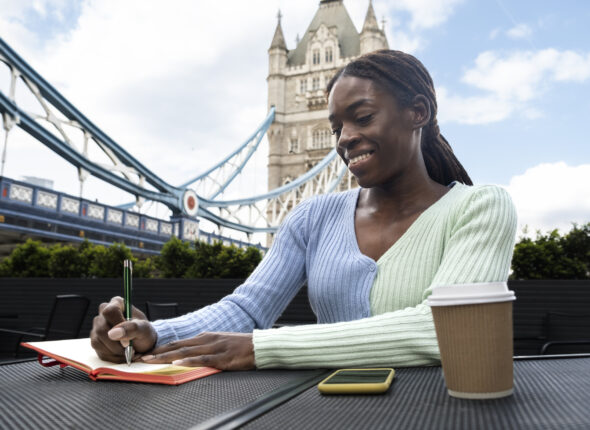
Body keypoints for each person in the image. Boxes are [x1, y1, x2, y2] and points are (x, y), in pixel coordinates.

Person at [91, 50, 517, 370]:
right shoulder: (313, 217)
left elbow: (447, 330)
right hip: (327, 409)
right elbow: (247, 310)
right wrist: (152, 334)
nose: (345, 139)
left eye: (363, 117)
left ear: (417, 112)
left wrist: (265, 348)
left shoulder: (479, 207)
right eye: (335, 128)